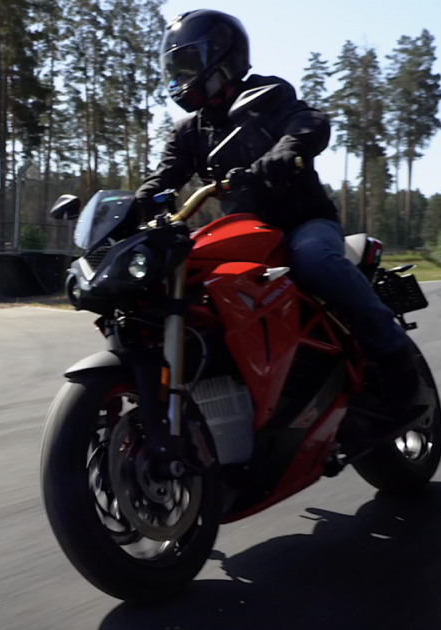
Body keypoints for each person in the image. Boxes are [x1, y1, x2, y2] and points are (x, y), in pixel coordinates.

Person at [134, 9, 420, 412]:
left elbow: (307, 121)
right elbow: (163, 178)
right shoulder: (188, 132)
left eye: (188, 65)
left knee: (314, 258)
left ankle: (393, 354)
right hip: (243, 233)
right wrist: (136, 205)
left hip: (303, 223)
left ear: (221, 56)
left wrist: (288, 149)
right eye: (175, 69)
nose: (182, 77)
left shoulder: (267, 95)